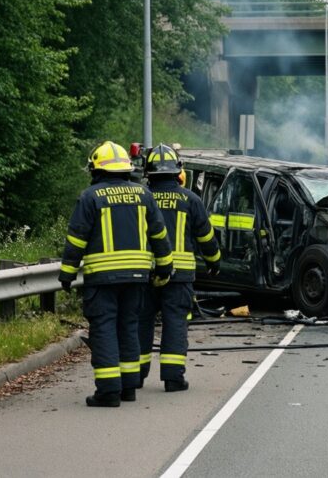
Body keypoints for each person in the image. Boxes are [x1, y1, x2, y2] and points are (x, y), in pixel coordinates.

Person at [59, 141, 173, 407]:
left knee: (104, 329)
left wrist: (67, 273)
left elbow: (77, 238)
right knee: (128, 327)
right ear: (126, 168)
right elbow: (158, 234)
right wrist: (165, 267)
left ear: (96, 169)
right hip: (136, 278)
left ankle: (109, 390)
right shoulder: (143, 194)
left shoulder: (90, 197)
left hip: (102, 279)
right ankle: (129, 387)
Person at [139, 144, 222, 393]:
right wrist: (214, 262)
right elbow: (206, 237)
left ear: (149, 172)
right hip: (180, 277)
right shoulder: (191, 200)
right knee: (175, 323)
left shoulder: (142, 197)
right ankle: (173, 378)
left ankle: (136, 375)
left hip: (146, 274)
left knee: (141, 322)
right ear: (178, 171)